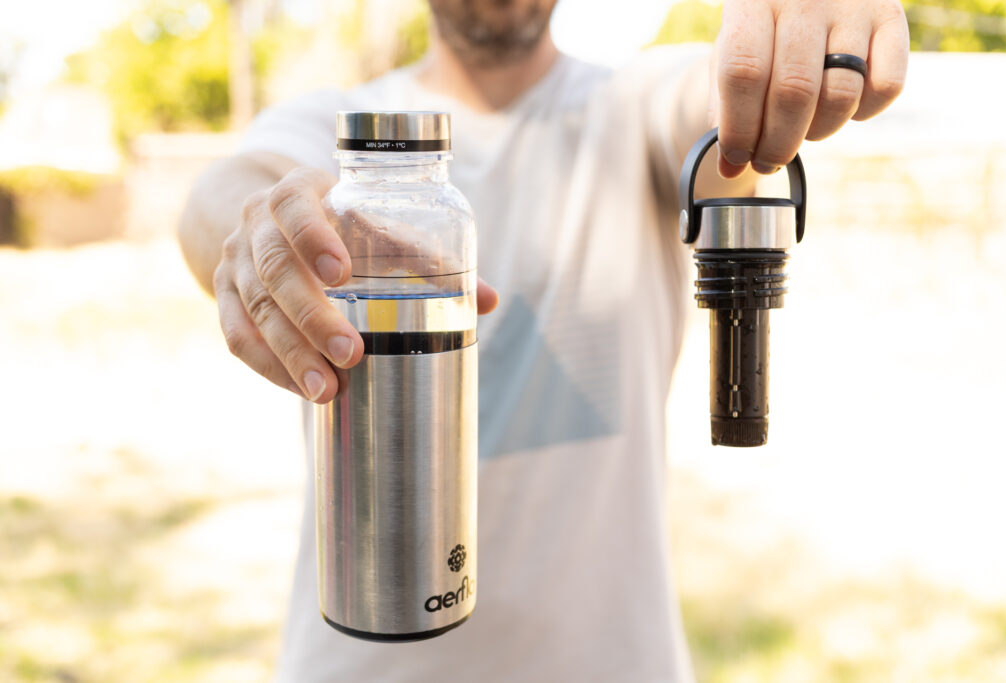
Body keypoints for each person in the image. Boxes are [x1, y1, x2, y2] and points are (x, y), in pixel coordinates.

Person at [178, 1, 908, 680]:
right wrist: (259, 235)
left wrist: (785, 46)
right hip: (360, 654)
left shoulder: (633, 100)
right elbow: (228, 194)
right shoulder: (346, 130)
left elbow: (714, 109)